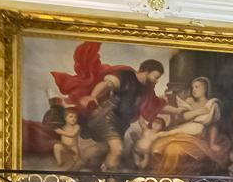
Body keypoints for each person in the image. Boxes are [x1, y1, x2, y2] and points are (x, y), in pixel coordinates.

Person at [50, 42, 166, 171]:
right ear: (147, 71)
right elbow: (108, 83)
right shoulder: (126, 76)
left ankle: (75, 168)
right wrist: (93, 95)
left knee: (103, 148)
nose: (156, 81)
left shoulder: (146, 88)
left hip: (121, 123)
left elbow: (155, 105)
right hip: (108, 117)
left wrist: (177, 109)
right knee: (117, 149)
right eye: (156, 77)